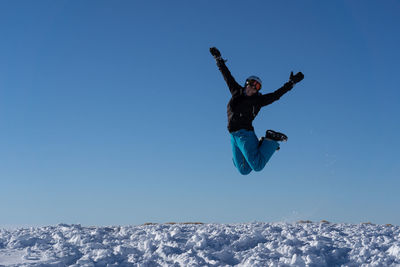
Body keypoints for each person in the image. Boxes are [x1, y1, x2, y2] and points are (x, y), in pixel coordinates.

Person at [210, 47, 304, 175]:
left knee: (258, 166)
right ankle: (261, 144)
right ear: (246, 83)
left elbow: (276, 95)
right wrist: (218, 59)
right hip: (233, 135)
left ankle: (270, 139)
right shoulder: (236, 91)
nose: (253, 88)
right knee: (243, 170)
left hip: (245, 134)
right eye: (252, 84)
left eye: (257, 87)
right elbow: (227, 76)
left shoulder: (258, 101)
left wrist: (290, 84)